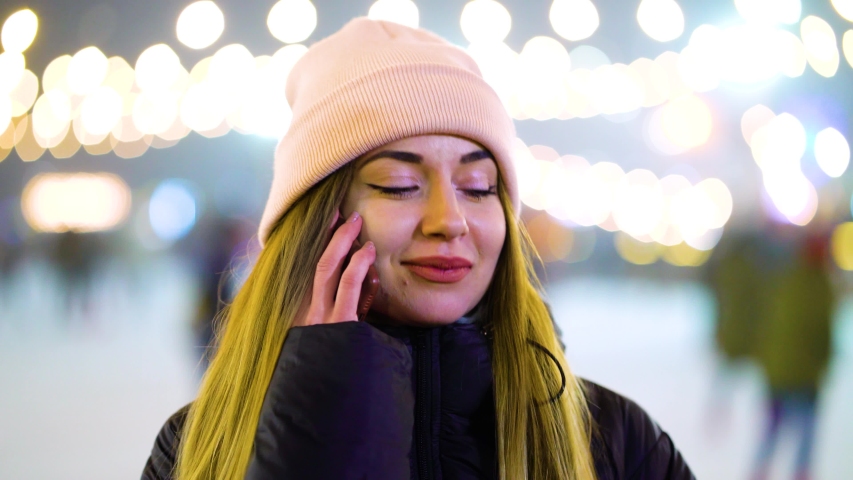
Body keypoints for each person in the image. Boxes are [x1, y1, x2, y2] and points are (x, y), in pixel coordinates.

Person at [143, 18, 694, 479]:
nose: (449, 221)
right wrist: (318, 428)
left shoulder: (617, 442)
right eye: (399, 185)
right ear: (316, 222)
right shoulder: (199, 446)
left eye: (478, 188)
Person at [751, 234, 835, 480]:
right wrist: (823, 363)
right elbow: (823, 335)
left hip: (778, 375)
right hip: (805, 378)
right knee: (806, 437)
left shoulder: (783, 281)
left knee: (770, 433)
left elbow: (766, 327)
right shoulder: (822, 286)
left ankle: (759, 471)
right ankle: (801, 473)